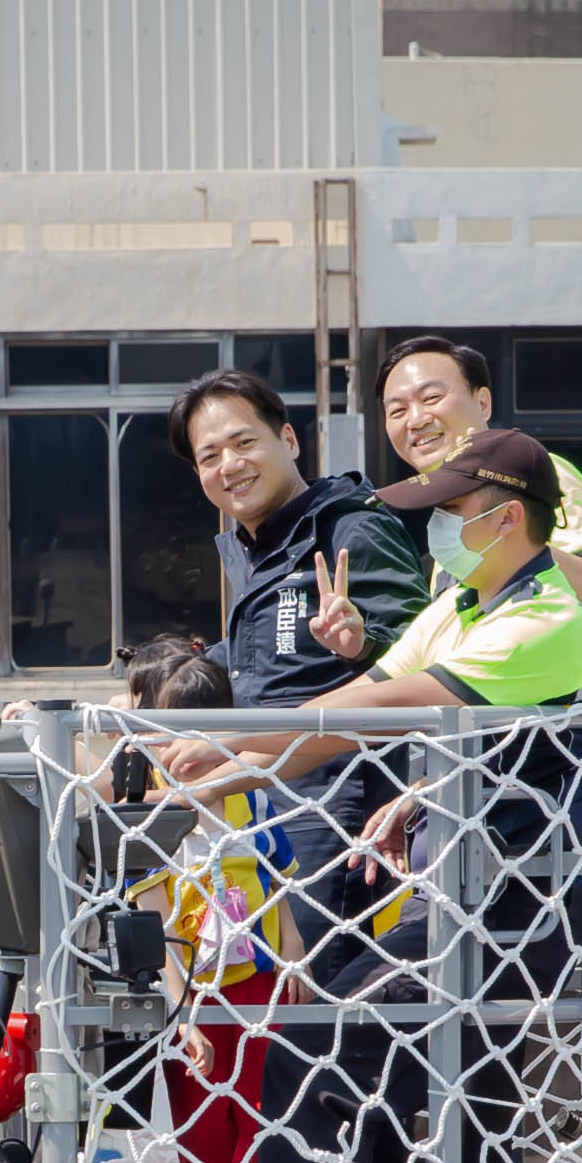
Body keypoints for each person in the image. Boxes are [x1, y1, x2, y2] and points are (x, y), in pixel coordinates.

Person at [161, 429, 582, 1163]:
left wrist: (224, 753)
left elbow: (368, 715)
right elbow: (354, 695)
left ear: (508, 519)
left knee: (320, 1047)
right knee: (443, 1085)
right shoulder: (464, 606)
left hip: (510, 915)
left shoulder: (541, 621)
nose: (435, 529)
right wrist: (221, 771)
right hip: (462, 901)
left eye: (449, 510)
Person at [166, 367, 428, 975]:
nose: (229, 466)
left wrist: (359, 643)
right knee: (269, 997)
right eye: (209, 456)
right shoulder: (254, 548)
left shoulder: (351, 527)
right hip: (263, 805)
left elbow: (423, 657)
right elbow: (257, 664)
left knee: (316, 998)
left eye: (244, 443)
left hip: (337, 811)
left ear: (288, 439)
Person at [120, 646, 302, 1163]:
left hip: (257, 981)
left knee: (259, 1119)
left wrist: (295, 955)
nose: (188, 749)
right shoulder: (149, 814)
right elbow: (157, 925)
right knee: (202, 1137)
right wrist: (183, 1015)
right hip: (194, 995)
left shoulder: (250, 796)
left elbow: (279, 878)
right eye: (175, 732)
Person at [377, 335, 582, 632]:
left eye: (432, 398)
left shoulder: (534, 475)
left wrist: (515, 545)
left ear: (483, 403)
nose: (416, 420)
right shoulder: (445, 519)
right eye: (397, 411)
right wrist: (362, 644)